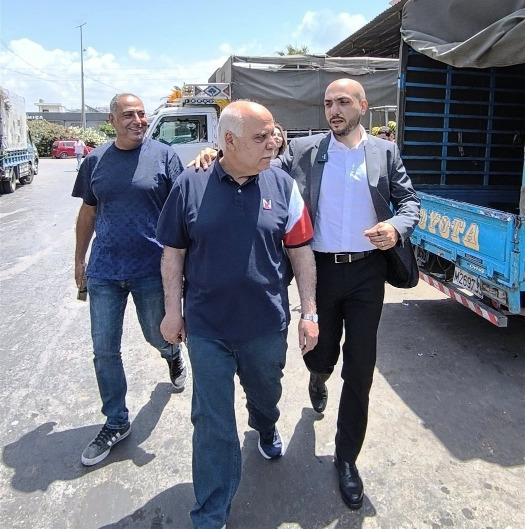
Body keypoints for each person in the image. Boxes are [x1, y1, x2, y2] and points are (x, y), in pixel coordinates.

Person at [192, 79, 420, 511]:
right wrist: (214, 154)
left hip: (367, 273)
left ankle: (347, 459)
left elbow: (410, 203)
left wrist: (396, 227)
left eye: (343, 102)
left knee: (360, 369)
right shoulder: (303, 150)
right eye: (328, 103)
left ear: (363, 106)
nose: (334, 110)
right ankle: (318, 376)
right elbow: (250, 161)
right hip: (321, 271)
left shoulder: (385, 153)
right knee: (321, 356)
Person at [157, 101, 319, 529]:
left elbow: (301, 253)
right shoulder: (190, 184)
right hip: (207, 328)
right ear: (228, 141)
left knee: (265, 396)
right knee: (212, 422)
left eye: (272, 135)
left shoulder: (283, 186)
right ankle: (210, 515)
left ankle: (264, 425)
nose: (273, 144)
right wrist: (172, 312)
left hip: (265, 324)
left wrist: (310, 312)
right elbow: (173, 254)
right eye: (260, 137)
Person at [72, 93, 188, 467]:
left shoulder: (165, 156)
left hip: (151, 269)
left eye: (141, 114)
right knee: (104, 349)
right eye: (128, 115)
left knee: (158, 335)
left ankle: (172, 355)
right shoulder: (95, 161)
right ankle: (116, 421)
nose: (138, 120)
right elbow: (88, 213)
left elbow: (184, 209)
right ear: (112, 120)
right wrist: (79, 258)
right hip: (105, 270)